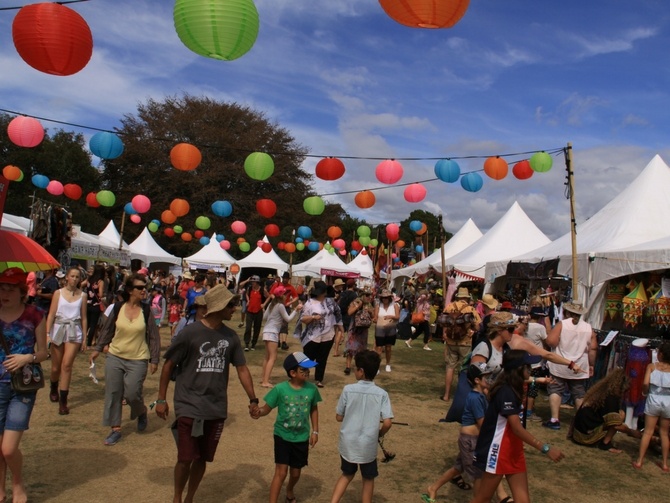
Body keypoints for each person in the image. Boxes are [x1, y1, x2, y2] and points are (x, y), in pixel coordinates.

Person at [154, 285, 259, 503]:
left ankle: (190, 497)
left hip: (215, 406)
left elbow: (242, 369)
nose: (234, 308)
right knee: (185, 458)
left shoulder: (231, 337)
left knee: (202, 458)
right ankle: (177, 498)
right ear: (218, 307)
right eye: (230, 305)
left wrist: (253, 399)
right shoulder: (189, 333)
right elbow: (168, 365)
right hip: (188, 404)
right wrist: (161, 399)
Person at [470, 350, 564, 503]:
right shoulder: (506, 392)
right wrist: (545, 448)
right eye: (527, 366)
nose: (531, 369)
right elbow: (516, 428)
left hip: (513, 450)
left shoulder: (514, 387)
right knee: (482, 499)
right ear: (519, 369)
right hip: (497, 451)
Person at [90, 273, 161, 446]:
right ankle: (115, 429)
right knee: (113, 393)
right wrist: (98, 348)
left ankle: (141, 411)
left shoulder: (146, 310)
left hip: (138, 359)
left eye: (145, 287)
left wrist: (154, 359)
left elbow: (153, 336)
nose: (144, 290)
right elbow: (107, 330)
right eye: (140, 287)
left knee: (132, 393)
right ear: (130, 290)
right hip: (115, 356)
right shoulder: (117, 308)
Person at [0, 268, 49, 503]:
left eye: (11, 288)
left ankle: (17, 482)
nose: (5, 293)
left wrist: (26, 357)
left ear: (22, 292)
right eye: (2, 288)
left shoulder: (35, 315)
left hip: (21, 385)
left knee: (8, 448)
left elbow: (43, 353)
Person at [254, 352, 321, 503]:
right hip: (282, 435)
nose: (308, 373)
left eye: (308, 370)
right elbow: (266, 408)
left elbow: (314, 409)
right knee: (281, 472)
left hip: (301, 437)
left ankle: (289, 490)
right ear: (292, 373)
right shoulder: (280, 389)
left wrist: (315, 431)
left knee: (296, 473)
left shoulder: (311, 389)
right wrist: (259, 412)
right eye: (304, 370)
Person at [423, 363, 493, 503]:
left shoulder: (481, 396)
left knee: (458, 468)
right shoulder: (475, 398)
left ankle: (433, 488)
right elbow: (482, 423)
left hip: (473, 440)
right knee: (478, 474)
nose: (489, 380)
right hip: (470, 441)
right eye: (486, 377)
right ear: (477, 380)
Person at [330, 350, 393, 503]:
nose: (354, 370)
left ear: (361, 371)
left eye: (356, 367)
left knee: (347, 474)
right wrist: (379, 434)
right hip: (368, 444)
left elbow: (339, 417)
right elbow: (387, 422)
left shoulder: (348, 390)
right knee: (368, 478)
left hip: (348, 442)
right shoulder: (382, 394)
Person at [543, 301, 598, 430]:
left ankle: (555, 419)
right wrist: (591, 365)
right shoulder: (588, 328)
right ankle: (582, 421)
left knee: (555, 389)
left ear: (567, 312)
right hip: (579, 365)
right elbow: (593, 349)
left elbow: (551, 341)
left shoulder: (562, 325)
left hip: (560, 363)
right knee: (579, 393)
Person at [45, 266, 88, 415]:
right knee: (56, 367)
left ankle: (63, 400)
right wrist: (47, 334)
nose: (75, 279)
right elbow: (51, 314)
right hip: (58, 329)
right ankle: (53, 387)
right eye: (72, 276)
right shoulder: (58, 293)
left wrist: (84, 338)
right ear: (67, 277)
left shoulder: (82, 295)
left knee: (67, 365)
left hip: (74, 330)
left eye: (77, 277)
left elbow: (84, 317)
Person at [571, 368, 638, 453]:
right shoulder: (611, 398)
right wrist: (631, 432)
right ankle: (605, 443)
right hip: (586, 435)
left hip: (577, 432)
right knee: (618, 419)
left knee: (618, 414)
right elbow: (616, 425)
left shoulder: (600, 391)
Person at [297, 281, 342, 388]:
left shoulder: (331, 302)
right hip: (313, 336)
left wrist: (341, 328)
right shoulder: (309, 303)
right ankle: (301, 377)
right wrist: (313, 317)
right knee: (308, 358)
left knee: (322, 358)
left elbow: (338, 314)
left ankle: (319, 379)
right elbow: (303, 318)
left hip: (328, 334)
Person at [634, 341, 670, 471]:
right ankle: (665, 463)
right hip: (668, 401)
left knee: (648, 431)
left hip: (654, 398)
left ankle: (639, 461)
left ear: (660, 354)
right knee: (664, 433)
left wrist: (645, 392)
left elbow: (645, 383)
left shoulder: (651, 367)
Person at [442, 289, 481, 401]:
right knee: (464, 369)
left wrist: (445, 333)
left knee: (450, 368)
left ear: (458, 297)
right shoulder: (471, 309)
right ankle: (461, 395)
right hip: (465, 341)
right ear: (467, 298)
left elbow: (444, 322)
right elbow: (478, 326)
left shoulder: (449, 307)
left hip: (451, 341)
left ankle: (446, 395)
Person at [260, 286, 302, 388]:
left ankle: (264, 378)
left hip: (266, 331)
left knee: (267, 357)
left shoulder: (271, 304)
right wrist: (296, 310)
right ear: (282, 296)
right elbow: (288, 319)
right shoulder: (280, 306)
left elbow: (265, 317)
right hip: (273, 332)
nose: (286, 296)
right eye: (285, 294)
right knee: (273, 358)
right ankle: (265, 381)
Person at [344, 288, 374, 376]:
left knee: (361, 350)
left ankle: (359, 366)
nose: (369, 297)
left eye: (370, 295)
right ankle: (348, 367)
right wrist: (358, 306)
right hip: (354, 329)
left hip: (363, 331)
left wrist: (370, 312)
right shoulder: (355, 302)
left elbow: (373, 316)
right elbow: (349, 312)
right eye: (367, 295)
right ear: (362, 295)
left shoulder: (369, 305)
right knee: (350, 349)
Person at [270, 272, 299, 351]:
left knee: (285, 324)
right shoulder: (277, 285)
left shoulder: (290, 287)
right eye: (284, 278)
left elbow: (296, 296)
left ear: (288, 279)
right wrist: (275, 300)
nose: (285, 280)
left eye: (287, 278)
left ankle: (284, 342)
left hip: (286, 307)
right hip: (277, 306)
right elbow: (271, 293)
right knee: (277, 322)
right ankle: (277, 340)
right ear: (282, 278)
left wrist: (290, 302)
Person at [373, 289, 399, 373]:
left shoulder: (394, 305)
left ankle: (388, 364)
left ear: (389, 298)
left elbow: (398, 317)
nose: (385, 299)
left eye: (386, 298)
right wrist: (374, 319)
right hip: (380, 328)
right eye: (383, 298)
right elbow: (375, 317)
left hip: (391, 328)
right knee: (379, 348)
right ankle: (377, 366)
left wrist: (390, 316)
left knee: (388, 348)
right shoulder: (378, 306)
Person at [334, 279, 357, 357]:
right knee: (350, 334)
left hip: (342, 314)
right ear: (353, 285)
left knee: (340, 332)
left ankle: (336, 351)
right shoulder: (354, 295)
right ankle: (347, 351)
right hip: (350, 315)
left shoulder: (342, 293)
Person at [84, 264, 106, 347]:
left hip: (88, 303)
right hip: (96, 305)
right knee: (93, 325)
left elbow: (82, 284)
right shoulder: (100, 281)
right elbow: (100, 294)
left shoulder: (89, 280)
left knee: (87, 323)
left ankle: (82, 341)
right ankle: (89, 343)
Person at [244, 276, 265, 351]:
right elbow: (246, 294)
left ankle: (253, 344)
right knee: (248, 328)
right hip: (250, 310)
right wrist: (248, 300)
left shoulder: (262, 289)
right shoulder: (249, 288)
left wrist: (264, 304)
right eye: (252, 281)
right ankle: (246, 343)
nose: (252, 283)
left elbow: (269, 296)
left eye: (254, 281)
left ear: (257, 282)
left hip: (258, 311)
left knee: (257, 328)